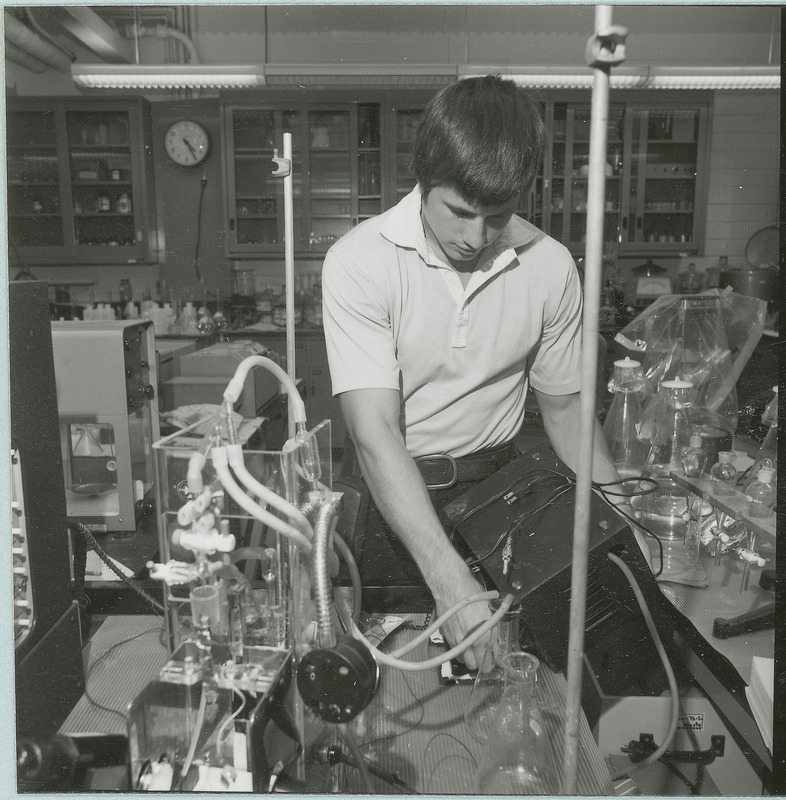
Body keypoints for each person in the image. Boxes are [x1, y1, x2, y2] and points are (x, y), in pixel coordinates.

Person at [322, 75, 623, 671]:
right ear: (422, 178)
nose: (474, 237)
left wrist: (621, 525)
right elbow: (373, 432)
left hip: (499, 492)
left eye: (497, 216)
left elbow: (566, 414)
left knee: (507, 672)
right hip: (394, 498)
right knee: (394, 684)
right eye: (458, 212)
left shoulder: (551, 266)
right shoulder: (360, 262)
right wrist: (449, 580)